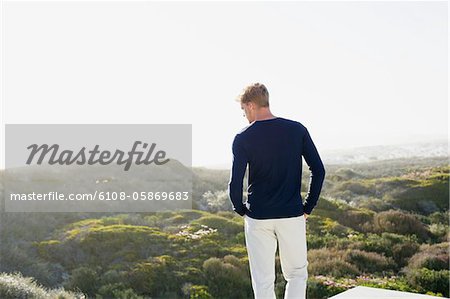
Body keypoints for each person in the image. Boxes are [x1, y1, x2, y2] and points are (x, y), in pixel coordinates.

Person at [228, 83, 326, 299]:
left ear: (251, 105)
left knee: (263, 280)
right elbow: (318, 170)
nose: (243, 115)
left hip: (258, 217)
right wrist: (307, 207)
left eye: (243, 110)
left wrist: (241, 210)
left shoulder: (243, 137)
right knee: (297, 274)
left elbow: (235, 182)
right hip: (291, 215)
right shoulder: (296, 129)